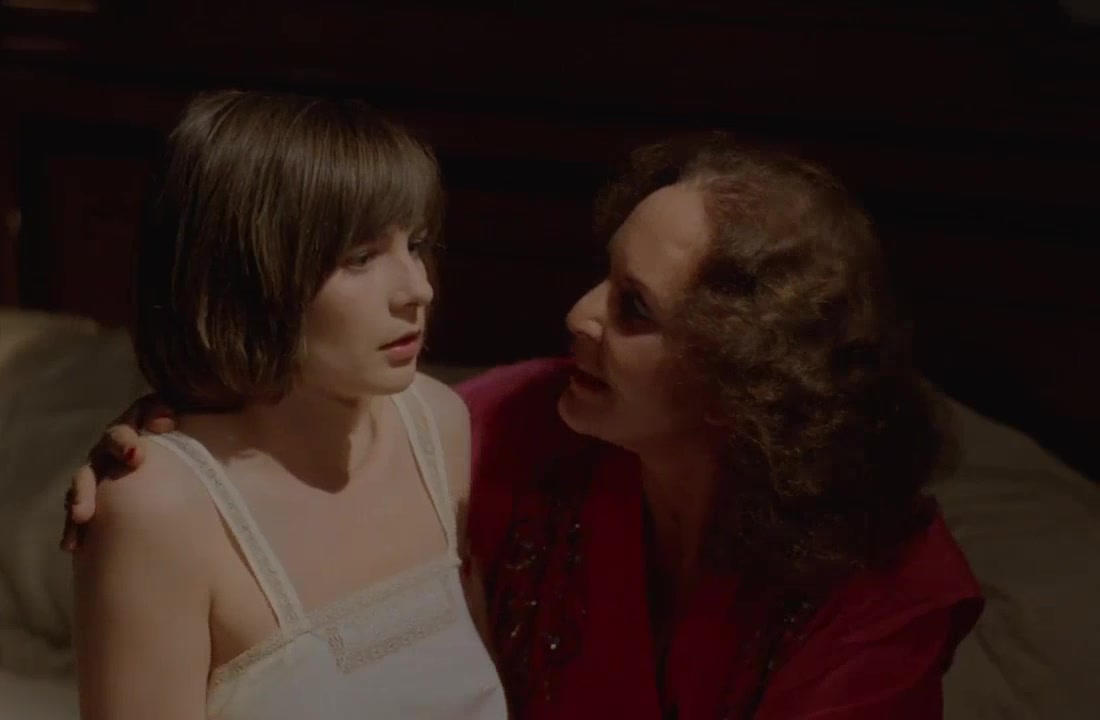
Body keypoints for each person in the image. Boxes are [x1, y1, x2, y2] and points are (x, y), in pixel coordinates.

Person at [65, 131, 983, 719]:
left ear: (748, 374)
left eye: (633, 308)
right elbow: (306, 435)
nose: (578, 315)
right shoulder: (517, 429)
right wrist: (171, 433)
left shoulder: (882, 590)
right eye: (602, 275)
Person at [68, 90, 507, 720]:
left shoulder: (439, 426)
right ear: (244, 278)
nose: (418, 289)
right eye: (360, 258)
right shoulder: (158, 508)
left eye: (415, 244)